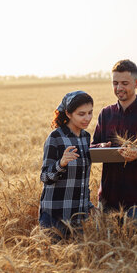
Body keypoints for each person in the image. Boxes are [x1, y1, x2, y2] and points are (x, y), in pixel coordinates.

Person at [92, 59, 137, 222]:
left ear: (136, 83)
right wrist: (101, 147)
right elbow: (92, 147)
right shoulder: (105, 114)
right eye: (115, 83)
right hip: (107, 200)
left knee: (136, 246)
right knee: (105, 247)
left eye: (124, 83)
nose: (119, 88)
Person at [39, 90, 95, 238]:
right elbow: (45, 177)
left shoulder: (86, 137)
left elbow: (82, 177)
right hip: (56, 216)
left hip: (79, 216)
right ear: (69, 114)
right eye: (81, 114)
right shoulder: (56, 137)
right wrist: (61, 163)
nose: (87, 118)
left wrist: (88, 205)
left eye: (90, 113)